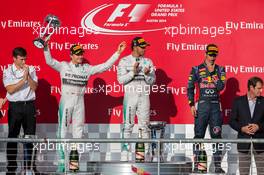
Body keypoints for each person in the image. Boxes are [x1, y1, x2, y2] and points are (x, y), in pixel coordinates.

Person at [43, 41, 126, 172]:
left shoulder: (86, 68)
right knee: (62, 131)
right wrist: (46, 47)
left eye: (81, 53)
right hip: (67, 100)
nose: (80, 56)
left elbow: (104, 66)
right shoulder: (64, 66)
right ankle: (61, 163)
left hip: (80, 100)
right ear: (71, 55)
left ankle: (74, 162)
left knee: (78, 132)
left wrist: (117, 53)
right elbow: (49, 61)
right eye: (77, 54)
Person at [187, 44, 226, 173]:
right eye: (210, 54)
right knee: (198, 136)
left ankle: (218, 166)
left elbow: (221, 87)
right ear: (205, 53)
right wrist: (191, 104)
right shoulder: (196, 69)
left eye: (215, 54)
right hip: (202, 105)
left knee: (217, 136)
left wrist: (215, 78)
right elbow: (190, 87)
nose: (212, 57)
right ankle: (197, 165)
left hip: (215, 106)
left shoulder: (220, 70)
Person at [117, 37, 156, 161]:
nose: (144, 49)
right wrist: (132, 72)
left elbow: (152, 81)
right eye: (142, 47)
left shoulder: (148, 61)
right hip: (130, 95)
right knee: (128, 125)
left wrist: (147, 74)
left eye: (145, 47)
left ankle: (146, 154)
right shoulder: (124, 61)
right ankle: (125, 154)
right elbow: (120, 80)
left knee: (145, 125)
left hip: (144, 95)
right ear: (134, 47)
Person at [3, 47, 38, 175]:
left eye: (25, 59)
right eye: (21, 59)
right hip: (15, 107)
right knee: (12, 137)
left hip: (29, 106)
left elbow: (34, 87)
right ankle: (11, 168)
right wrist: (22, 80)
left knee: (30, 138)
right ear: (14, 58)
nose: (24, 61)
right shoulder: (8, 71)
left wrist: (27, 76)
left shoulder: (31, 69)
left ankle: (29, 167)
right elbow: (10, 90)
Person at [229, 77, 264, 175]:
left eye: (261, 88)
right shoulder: (238, 102)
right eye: (259, 88)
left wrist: (259, 127)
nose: (261, 91)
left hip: (260, 144)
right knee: (243, 172)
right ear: (251, 87)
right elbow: (232, 121)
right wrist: (242, 128)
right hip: (243, 143)